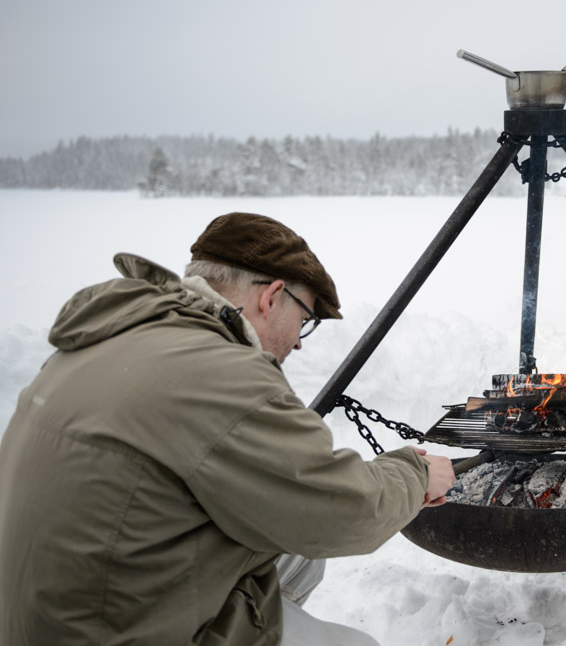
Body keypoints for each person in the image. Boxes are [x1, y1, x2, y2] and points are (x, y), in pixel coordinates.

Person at [0, 212, 455, 645]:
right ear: (271, 297)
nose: (298, 342)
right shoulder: (221, 373)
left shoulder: (113, 335)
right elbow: (344, 510)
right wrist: (415, 474)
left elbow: (298, 494)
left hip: (43, 615)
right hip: (116, 631)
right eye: (304, 320)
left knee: (300, 553)